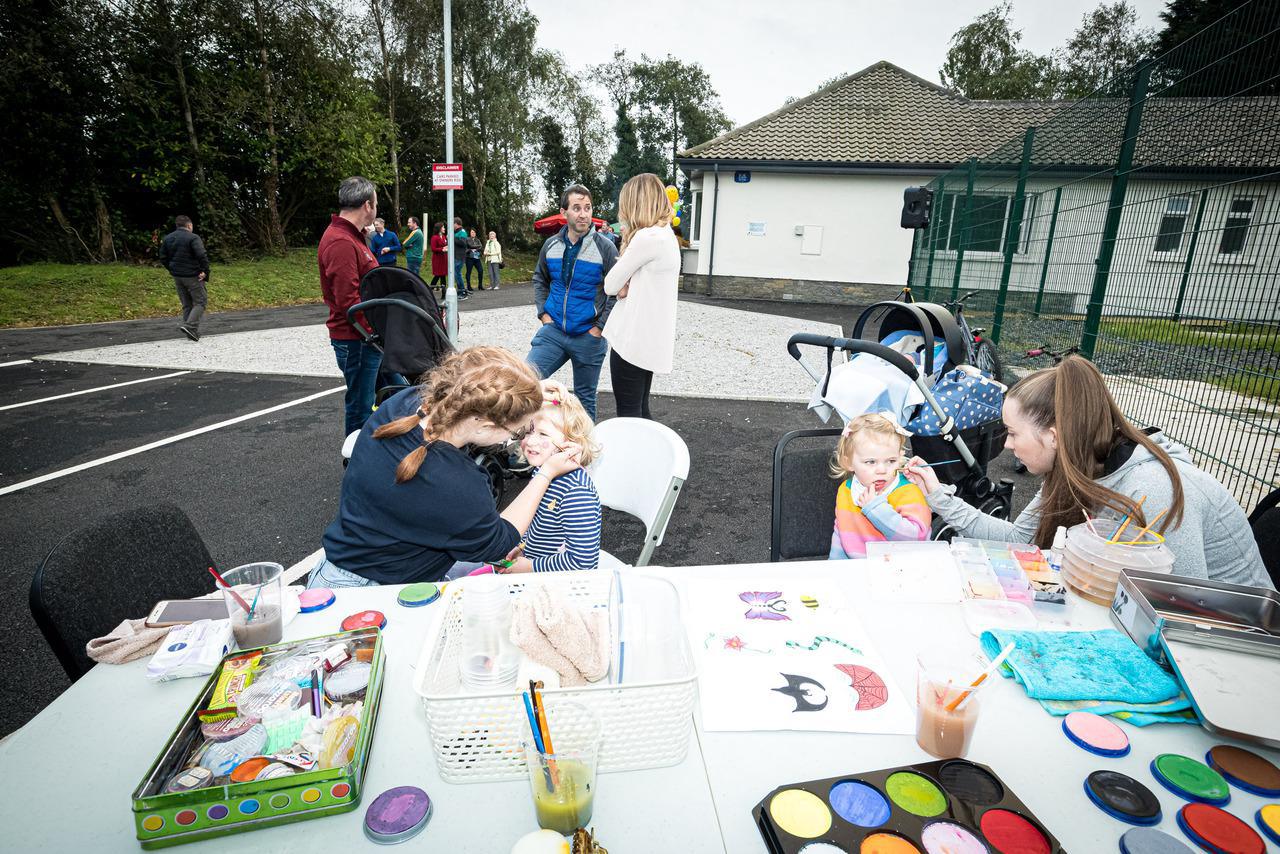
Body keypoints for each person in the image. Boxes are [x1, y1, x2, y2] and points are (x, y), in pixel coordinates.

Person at [904, 355, 1272, 589]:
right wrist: (937, 494)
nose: (1008, 447)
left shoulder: (1153, 488)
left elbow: (1185, 608)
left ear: (1054, 436)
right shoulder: (1072, 467)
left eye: (1014, 434)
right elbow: (1019, 539)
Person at [307, 347, 584, 587]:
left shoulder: (404, 404)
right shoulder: (456, 484)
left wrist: (525, 394)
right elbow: (500, 544)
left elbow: (477, 388)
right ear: (487, 425)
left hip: (337, 571)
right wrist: (546, 473)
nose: (522, 437)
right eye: (517, 430)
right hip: (372, 592)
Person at [527, 184, 618, 422]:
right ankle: (535, 442)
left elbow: (617, 291)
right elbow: (540, 278)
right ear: (564, 212)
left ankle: (584, 456)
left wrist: (599, 328)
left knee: (585, 399)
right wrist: (543, 315)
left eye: (587, 208)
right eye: (576, 208)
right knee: (526, 382)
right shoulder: (550, 245)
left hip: (588, 336)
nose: (584, 214)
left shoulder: (605, 247)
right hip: (554, 331)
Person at [601, 173, 680, 419]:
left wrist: (625, 283)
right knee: (641, 410)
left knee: (628, 415)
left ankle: (635, 457)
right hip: (651, 339)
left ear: (636, 203)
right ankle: (653, 456)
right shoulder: (666, 235)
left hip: (632, 340)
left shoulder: (647, 237)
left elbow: (610, 285)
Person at [499, 390, 602, 573]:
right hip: (535, 569)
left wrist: (531, 566)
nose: (530, 441)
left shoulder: (576, 492)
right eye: (528, 432)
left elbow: (583, 562)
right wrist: (522, 547)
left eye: (543, 434)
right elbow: (538, 524)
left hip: (557, 586)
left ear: (571, 442)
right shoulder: (543, 471)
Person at [318, 176, 382, 436]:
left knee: (398, 393)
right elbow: (349, 301)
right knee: (360, 406)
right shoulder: (341, 242)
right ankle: (355, 462)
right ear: (367, 205)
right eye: (375, 203)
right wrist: (376, 330)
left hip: (368, 339)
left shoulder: (350, 237)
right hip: (358, 339)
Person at [829, 414, 931, 559]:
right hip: (859, 569)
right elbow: (841, 535)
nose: (882, 470)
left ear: (900, 457)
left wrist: (875, 508)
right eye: (871, 462)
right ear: (848, 462)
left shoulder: (908, 491)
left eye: (891, 461)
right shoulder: (846, 489)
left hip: (904, 569)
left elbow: (917, 537)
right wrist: (835, 569)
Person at [159, 214, 210, 342]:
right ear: (189, 225)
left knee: (187, 304)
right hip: (192, 275)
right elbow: (201, 254)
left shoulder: (168, 238)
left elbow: (163, 257)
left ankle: (190, 333)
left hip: (177, 276)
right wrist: (205, 271)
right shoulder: (193, 237)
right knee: (200, 301)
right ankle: (190, 326)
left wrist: (172, 269)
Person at [429, 222, 449, 296]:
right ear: (439, 228)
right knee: (437, 275)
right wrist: (442, 249)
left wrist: (446, 247)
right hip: (437, 259)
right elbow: (433, 248)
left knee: (443, 276)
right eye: (443, 227)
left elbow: (445, 244)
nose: (444, 229)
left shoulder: (444, 236)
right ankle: (429, 291)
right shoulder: (434, 237)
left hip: (443, 259)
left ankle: (444, 294)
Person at [452, 217, 469, 298]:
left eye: (453, 223)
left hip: (459, 256)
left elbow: (463, 243)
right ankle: (460, 291)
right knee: (456, 274)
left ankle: (462, 292)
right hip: (455, 256)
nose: (452, 225)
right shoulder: (456, 232)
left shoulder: (462, 232)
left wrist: (453, 238)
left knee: (457, 274)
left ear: (456, 224)